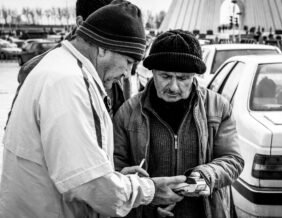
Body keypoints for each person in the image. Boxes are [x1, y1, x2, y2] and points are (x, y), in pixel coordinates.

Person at [0, 2, 187, 217]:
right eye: (128, 61)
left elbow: (73, 166)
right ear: (103, 47)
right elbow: (88, 183)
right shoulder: (69, 82)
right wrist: (150, 190)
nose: (127, 73)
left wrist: (115, 176)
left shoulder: (60, 66)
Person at [113, 29, 244, 218]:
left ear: (194, 76)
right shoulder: (128, 113)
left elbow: (232, 159)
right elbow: (114, 168)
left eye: (183, 78)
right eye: (165, 76)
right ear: (152, 73)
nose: (174, 87)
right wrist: (137, 190)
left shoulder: (218, 107)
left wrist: (207, 176)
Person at [17, 0, 129, 116]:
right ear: (80, 23)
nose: (112, 40)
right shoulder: (36, 71)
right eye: (106, 30)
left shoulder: (116, 61)